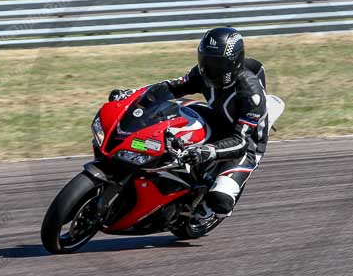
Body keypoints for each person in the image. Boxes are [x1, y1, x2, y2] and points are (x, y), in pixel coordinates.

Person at [110, 27, 268, 219]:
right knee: (163, 123)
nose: (208, 69)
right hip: (216, 118)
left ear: (232, 63)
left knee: (220, 201)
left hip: (246, 143)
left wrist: (207, 151)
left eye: (215, 64)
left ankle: (203, 211)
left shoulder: (250, 95)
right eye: (205, 60)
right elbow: (170, 87)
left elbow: (241, 142)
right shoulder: (202, 74)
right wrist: (131, 95)